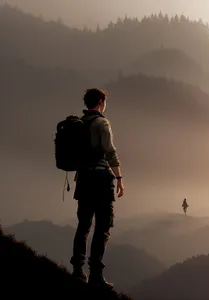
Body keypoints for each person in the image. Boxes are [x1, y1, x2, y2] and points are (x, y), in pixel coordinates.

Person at [70, 88, 124, 288]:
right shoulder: (102, 123)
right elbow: (110, 152)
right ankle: (96, 275)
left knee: (83, 225)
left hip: (83, 179)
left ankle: (77, 271)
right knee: (103, 227)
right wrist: (119, 178)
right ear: (101, 101)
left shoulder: (80, 124)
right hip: (101, 180)